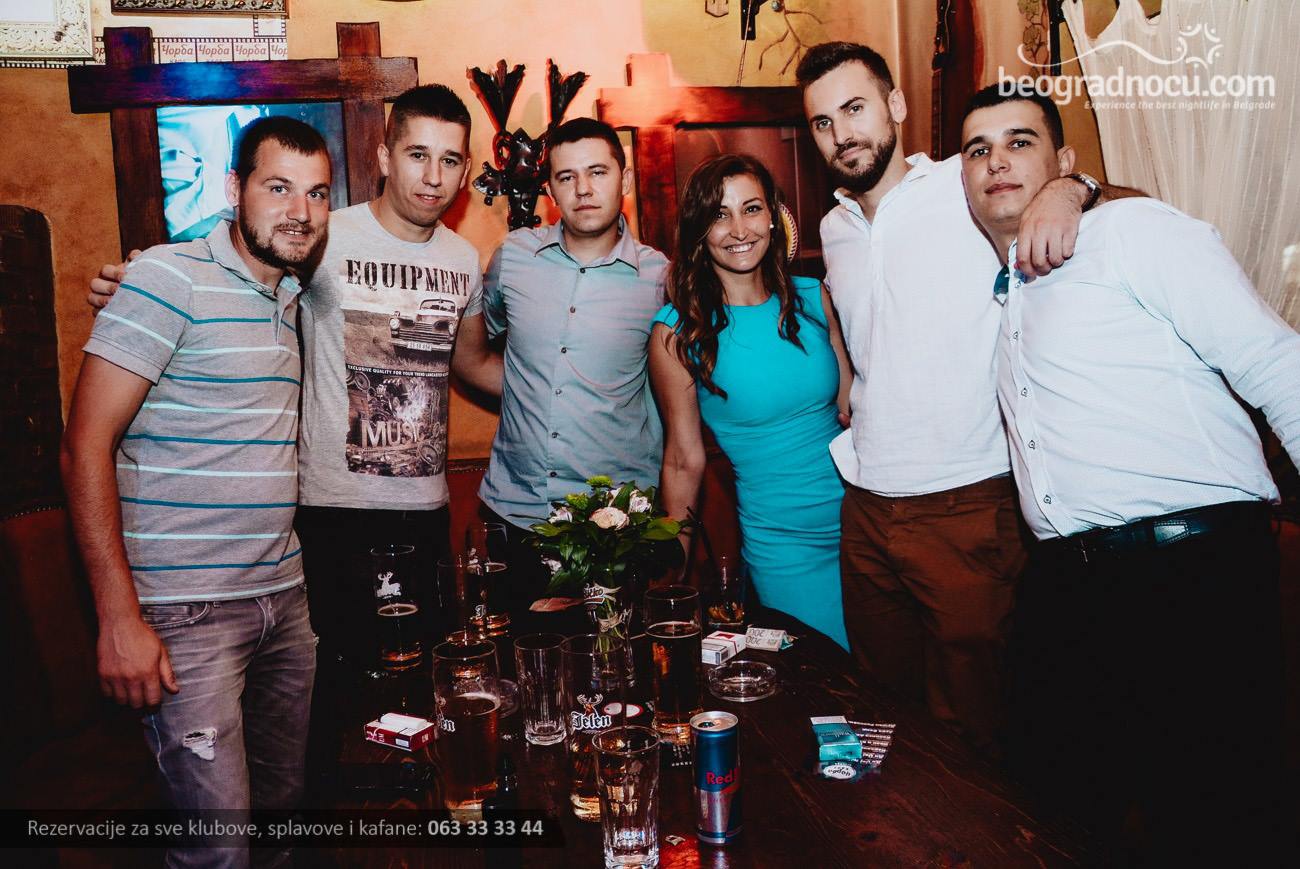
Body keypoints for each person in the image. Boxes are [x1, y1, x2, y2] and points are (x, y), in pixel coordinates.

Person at [88, 84, 486, 791]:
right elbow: (235, 259)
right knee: (330, 729)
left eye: (450, 160)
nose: (433, 175)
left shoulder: (462, 260)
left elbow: (473, 360)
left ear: (466, 171)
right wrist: (135, 277)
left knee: (418, 713)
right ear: (384, 156)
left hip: (420, 516)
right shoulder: (324, 237)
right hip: (327, 517)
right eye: (417, 154)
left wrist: (577, 379)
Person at [959, 84, 1298, 863]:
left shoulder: (1134, 232)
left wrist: (1083, 192)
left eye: (1019, 142)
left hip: (1194, 573)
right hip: (1068, 589)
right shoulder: (1008, 290)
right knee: (1052, 822)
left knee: (1219, 827)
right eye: (978, 150)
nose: (996, 162)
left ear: (1065, 161)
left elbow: (1275, 362)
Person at [796, 41, 1140, 748]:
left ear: (895, 105)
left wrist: (1073, 188)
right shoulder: (833, 226)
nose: (842, 134)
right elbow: (864, 320)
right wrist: (851, 374)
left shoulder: (965, 181)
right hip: (865, 504)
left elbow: (1129, 208)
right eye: (823, 122)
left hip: (968, 504)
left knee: (974, 732)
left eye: (855, 109)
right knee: (880, 715)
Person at [61, 117, 331, 868]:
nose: (299, 211)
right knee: (217, 849)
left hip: (284, 600)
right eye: (278, 188)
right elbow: (83, 447)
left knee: (280, 827)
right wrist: (119, 618)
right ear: (233, 189)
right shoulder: (167, 278)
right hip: (187, 613)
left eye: (316, 194)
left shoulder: (290, 295)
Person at [451, 117, 669, 615]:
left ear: (625, 179)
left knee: (616, 657)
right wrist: (536, 389)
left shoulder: (660, 278)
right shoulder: (514, 259)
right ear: (549, 189)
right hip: (517, 512)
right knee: (518, 656)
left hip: (616, 522)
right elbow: (481, 352)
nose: (583, 189)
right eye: (567, 177)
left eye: (598, 172)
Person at [649, 153, 851, 647]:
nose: (739, 230)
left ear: (774, 217)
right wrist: (672, 576)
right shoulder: (677, 333)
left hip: (867, 525)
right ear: (699, 229)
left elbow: (854, 410)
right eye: (720, 214)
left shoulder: (815, 297)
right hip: (785, 546)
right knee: (826, 675)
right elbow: (683, 460)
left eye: (752, 209)